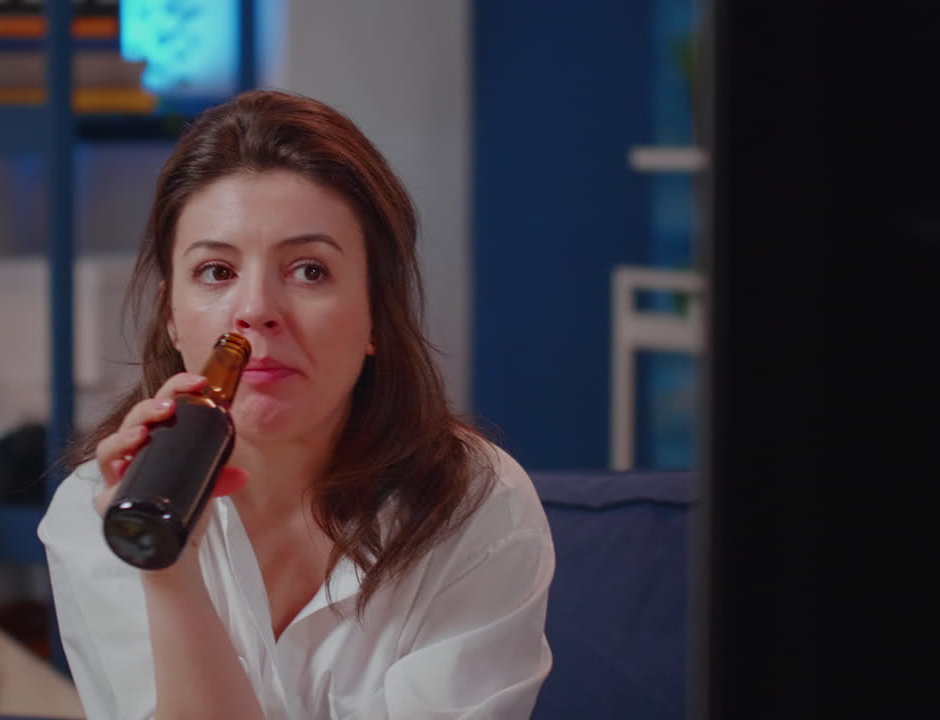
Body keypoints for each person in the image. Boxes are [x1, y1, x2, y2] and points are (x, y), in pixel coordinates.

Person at [38, 90, 555, 720]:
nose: (255, 310)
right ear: (172, 317)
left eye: (309, 270)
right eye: (216, 272)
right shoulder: (100, 509)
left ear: (375, 318)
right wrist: (166, 570)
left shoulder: (480, 506)